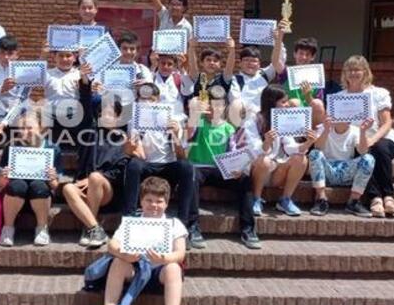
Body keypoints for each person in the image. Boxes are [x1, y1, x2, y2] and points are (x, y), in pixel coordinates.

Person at [88, 176, 186, 305]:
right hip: (134, 270)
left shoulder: (174, 224)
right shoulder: (131, 222)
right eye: (149, 200)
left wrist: (164, 259)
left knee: (173, 268)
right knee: (118, 261)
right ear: (141, 201)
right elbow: (112, 244)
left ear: (166, 203)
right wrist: (125, 254)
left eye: (159, 201)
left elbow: (180, 253)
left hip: (159, 273)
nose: (154, 205)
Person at [122, 83, 202, 248]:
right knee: (134, 166)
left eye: (151, 99)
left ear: (158, 100)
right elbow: (131, 153)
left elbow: (181, 155)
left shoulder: (173, 120)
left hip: (167, 166)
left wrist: (175, 135)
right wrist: (132, 145)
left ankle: (183, 224)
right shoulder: (134, 121)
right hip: (146, 165)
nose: (148, 103)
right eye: (143, 100)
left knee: (187, 167)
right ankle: (129, 219)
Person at [62, 62, 129, 248]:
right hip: (86, 187)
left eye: (110, 113)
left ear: (118, 117)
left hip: (108, 191)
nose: (105, 116)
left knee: (94, 177)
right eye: (102, 113)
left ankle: (88, 228)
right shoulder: (89, 133)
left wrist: (94, 179)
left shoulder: (122, 139)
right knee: (68, 188)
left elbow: (120, 170)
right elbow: (84, 103)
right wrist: (84, 80)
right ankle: (94, 228)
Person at [186, 90, 259, 249]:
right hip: (199, 168)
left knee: (245, 179)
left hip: (221, 169)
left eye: (219, 106)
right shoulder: (197, 122)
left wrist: (238, 168)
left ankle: (248, 229)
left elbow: (234, 152)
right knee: (190, 176)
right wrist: (195, 115)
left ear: (224, 107)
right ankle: (193, 228)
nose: (215, 110)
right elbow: (188, 136)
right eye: (211, 106)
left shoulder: (229, 128)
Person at [338, 55, 394, 218]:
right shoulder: (339, 97)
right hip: (354, 141)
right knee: (363, 153)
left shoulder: (378, 93)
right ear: (345, 74)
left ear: (365, 72)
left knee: (378, 148)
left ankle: (388, 196)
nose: (353, 73)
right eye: (349, 70)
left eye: (357, 69)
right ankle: (375, 198)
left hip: (381, 137)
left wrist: (372, 140)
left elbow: (387, 123)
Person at [245, 85, 317, 217]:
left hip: (277, 172)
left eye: (287, 101)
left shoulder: (283, 120)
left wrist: (309, 142)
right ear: (272, 102)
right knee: (265, 161)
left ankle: (285, 200)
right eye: (283, 102)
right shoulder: (253, 120)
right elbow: (254, 152)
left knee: (301, 159)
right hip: (258, 172)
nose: (287, 105)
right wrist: (266, 142)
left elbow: (290, 147)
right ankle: (256, 199)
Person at [0, 108, 61, 247]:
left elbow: (55, 186)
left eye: (30, 128)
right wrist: (3, 176)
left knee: (39, 185)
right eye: (22, 128)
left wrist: (52, 178)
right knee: (17, 185)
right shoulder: (12, 147)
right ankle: (8, 228)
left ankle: (41, 229)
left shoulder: (52, 148)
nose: (26, 132)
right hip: (15, 197)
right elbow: (1, 185)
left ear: (41, 127)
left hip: (40, 198)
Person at [309, 117, 376, 217]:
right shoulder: (323, 128)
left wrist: (363, 131)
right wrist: (326, 130)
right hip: (327, 171)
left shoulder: (355, 130)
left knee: (368, 159)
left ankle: (353, 201)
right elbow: (317, 147)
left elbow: (363, 151)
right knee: (314, 154)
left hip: (347, 172)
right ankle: (321, 199)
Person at [229, 25, 286, 114]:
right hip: (245, 120)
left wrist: (277, 40)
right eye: (246, 60)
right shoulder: (235, 80)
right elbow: (235, 102)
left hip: (265, 120)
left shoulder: (264, 74)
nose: (250, 63)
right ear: (239, 63)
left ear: (259, 64)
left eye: (254, 61)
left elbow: (279, 60)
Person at [276, 36, 326, 126]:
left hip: (310, 119)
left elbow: (318, 107)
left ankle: (315, 134)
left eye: (307, 54)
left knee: (318, 103)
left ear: (313, 57)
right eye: (301, 53)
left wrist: (308, 96)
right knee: (294, 102)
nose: (303, 57)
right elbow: (276, 62)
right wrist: (278, 38)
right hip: (289, 118)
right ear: (295, 54)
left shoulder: (317, 77)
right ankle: (293, 135)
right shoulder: (286, 72)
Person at [148, 53, 194, 117]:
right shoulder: (151, 77)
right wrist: (153, 65)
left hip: (175, 120)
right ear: (158, 63)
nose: (165, 67)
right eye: (163, 63)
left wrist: (181, 69)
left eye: (169, 64)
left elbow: (189, 91)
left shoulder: (179, 78)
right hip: (155, 119)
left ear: (174, 66)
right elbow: (145, 89)